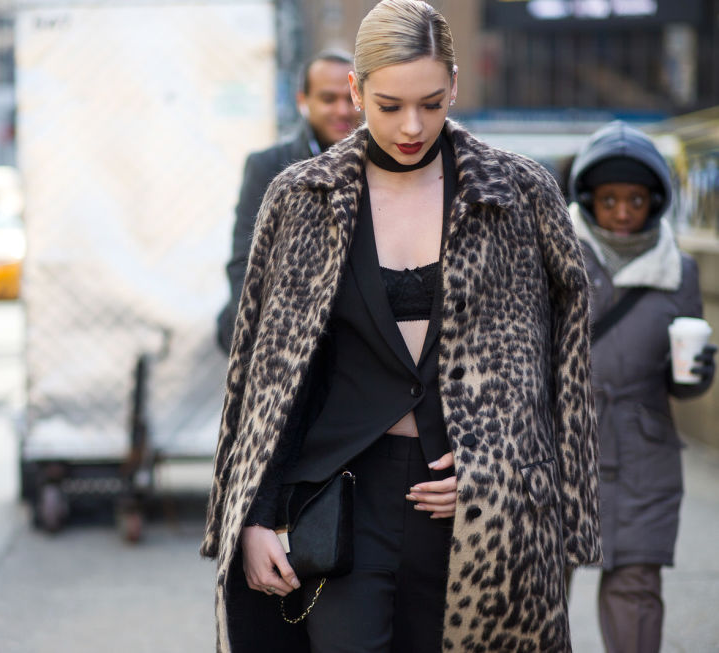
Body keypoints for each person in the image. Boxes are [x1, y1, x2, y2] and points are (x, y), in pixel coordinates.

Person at [200, 1, 602, 651]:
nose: (412, 125)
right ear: (355, 91)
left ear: (455, 85)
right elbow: (265, 376)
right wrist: (252, 516)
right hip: (338, 499)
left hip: (477, 512)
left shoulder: (520, 195)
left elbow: (564, 367)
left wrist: (503, 473)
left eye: (432, 102)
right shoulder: (301, 198)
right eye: (388, 106)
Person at [567, 121, 717, 653]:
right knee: (539, 588)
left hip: (643, 455)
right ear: (588, 199)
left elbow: (681, 387)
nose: (624, 212)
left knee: (636, 589)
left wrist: (696, 375)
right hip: (563, 447)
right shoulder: (552, 257)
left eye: (635, 199)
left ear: (655, 202)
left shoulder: (679, 272)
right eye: (610, 200)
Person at [216, 50, 359, 353]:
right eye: (328, 99)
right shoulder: (269, 166)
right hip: (285, 341)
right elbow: (245, 260)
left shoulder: (379, 168)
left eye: (351, 98)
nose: (342, 110)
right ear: (302, 101)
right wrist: (255, 344)